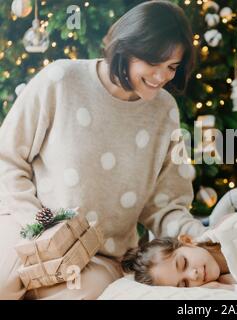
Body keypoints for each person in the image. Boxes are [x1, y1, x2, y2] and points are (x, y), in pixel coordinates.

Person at [0, 1, 206, 299]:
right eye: (154, 63)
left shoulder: (164, 111)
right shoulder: (61, 81)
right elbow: (7, 157)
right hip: (27, 229)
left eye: (172, 67)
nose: (162, 77)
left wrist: (205, 236)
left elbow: (167, 205)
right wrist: (39, 226)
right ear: (127, 48)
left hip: (100, 256)